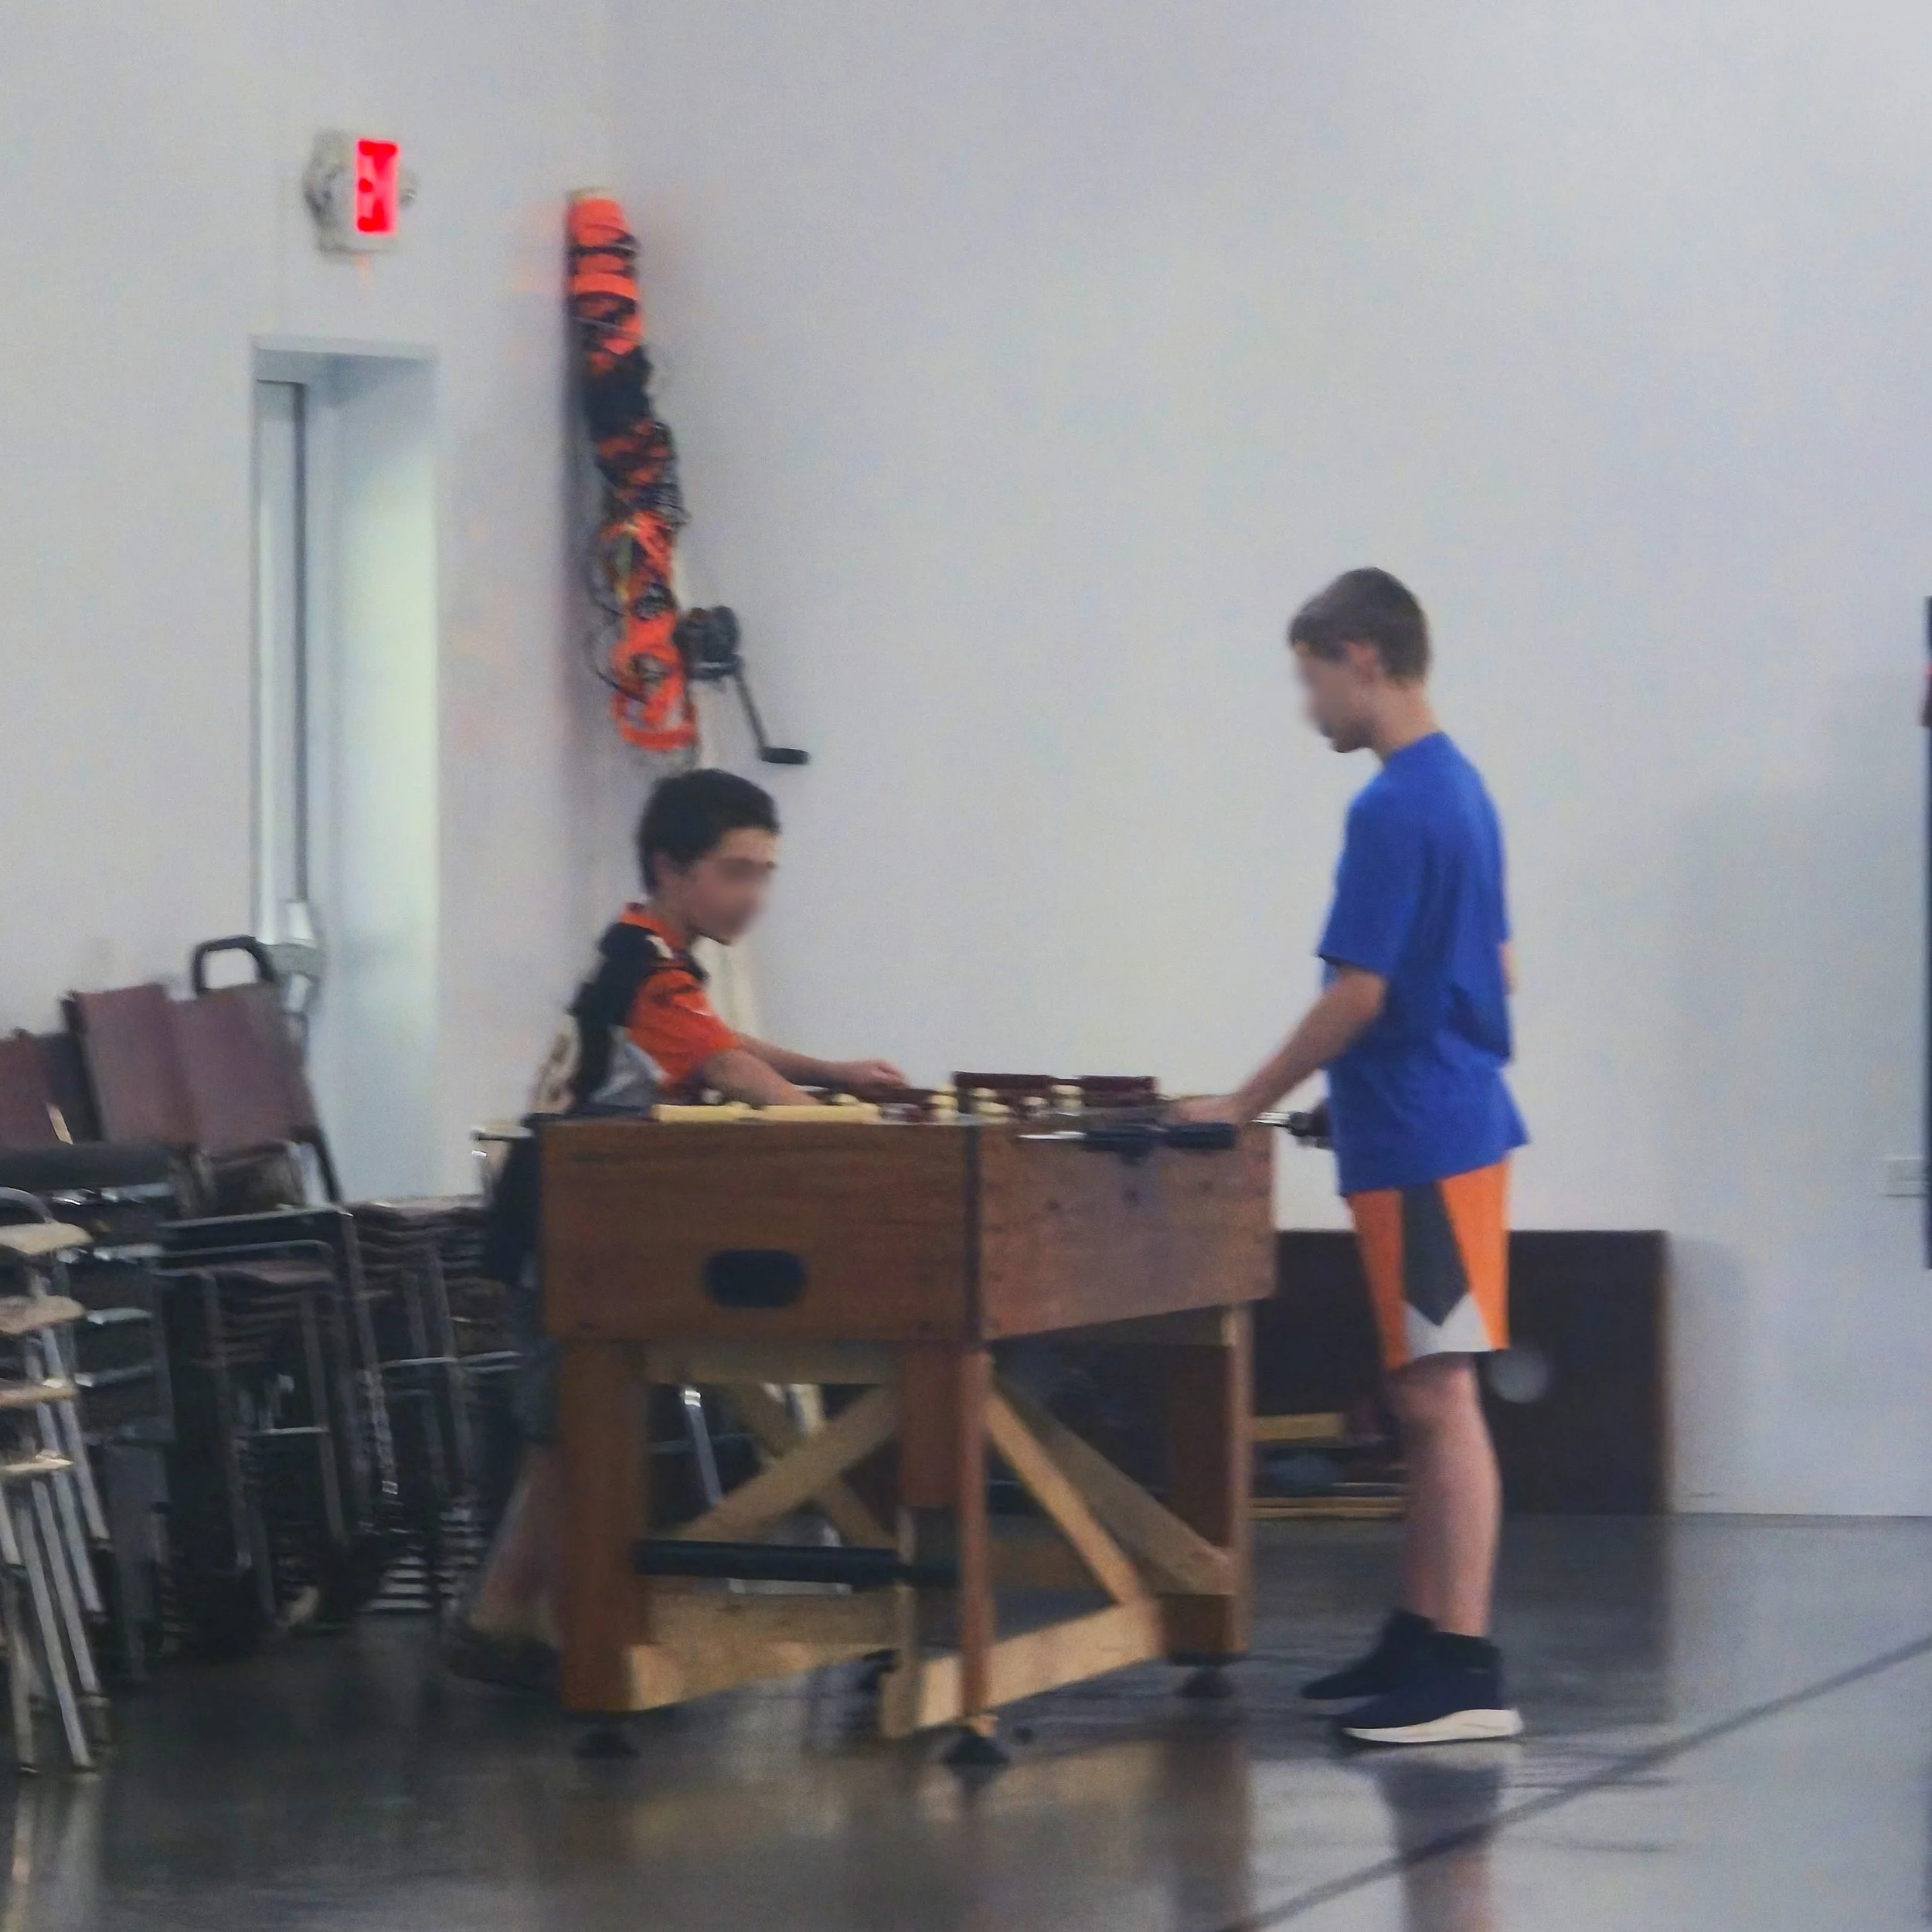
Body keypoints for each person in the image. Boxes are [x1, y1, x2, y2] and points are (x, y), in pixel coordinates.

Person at [445, 768, 903, 1687]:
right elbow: (729, 1069)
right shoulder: (647, 969)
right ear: (670, 867)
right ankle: (535, 1623)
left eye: (765, 873)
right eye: (736, 871)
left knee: (566, 1431)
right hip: (561, 1222)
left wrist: (834, 1075)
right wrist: (839, 1128)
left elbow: (717, 1041)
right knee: (569, 1428)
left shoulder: (652, 959)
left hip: (581, 1218)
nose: (754, 895)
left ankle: (507, 1618)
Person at [1177, 569, 1527, 1746]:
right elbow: (1492, 970)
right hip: (1429, 1122)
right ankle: (1420, 1637)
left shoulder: (1391, 807)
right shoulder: (1460, 788)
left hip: (1426, 1140)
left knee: (1438, 1394)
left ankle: (1465, 1670)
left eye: (1310, 676)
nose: (1308, 704)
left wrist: (1245, 1102)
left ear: (1363, 658)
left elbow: (1359, 993)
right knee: (1421, 1391)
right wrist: (1359, 1092)